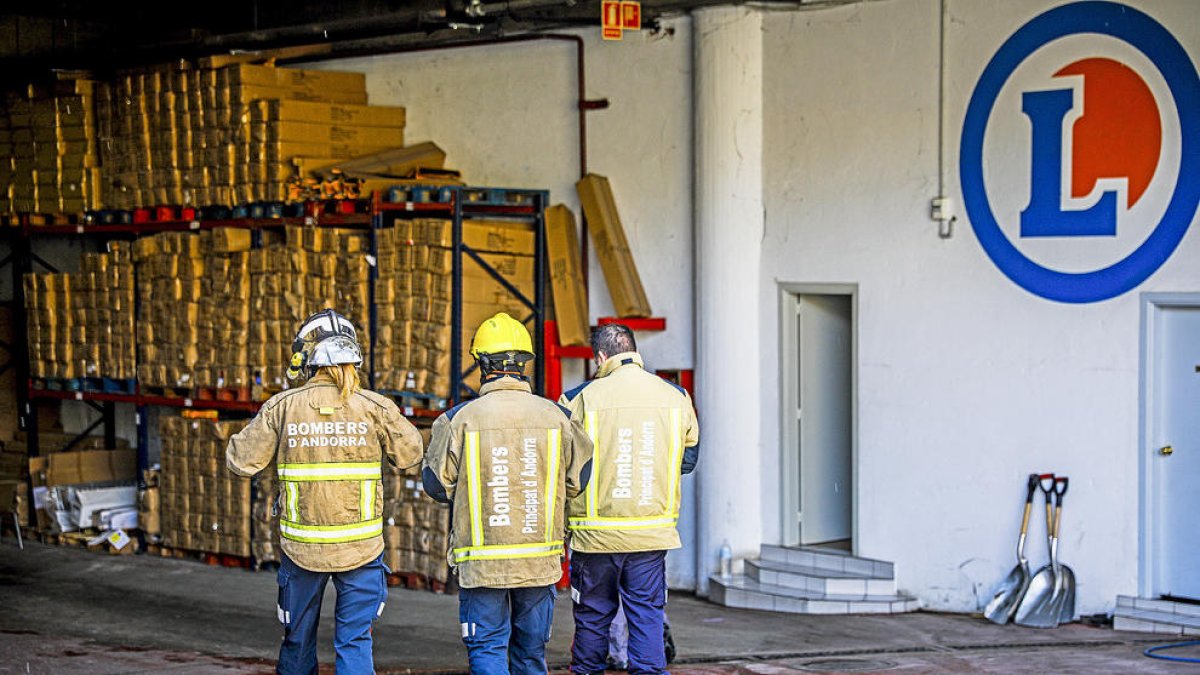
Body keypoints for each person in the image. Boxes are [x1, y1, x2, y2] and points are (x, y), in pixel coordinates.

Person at [226, 309, 424, 675]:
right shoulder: (374, 407)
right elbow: (411, 454)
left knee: (297, 641)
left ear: (306, 356)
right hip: (361, 550)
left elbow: (240, 461)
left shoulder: (282, 407)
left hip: (302, 550)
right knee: (354, 641)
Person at [422, 312, 593, 674]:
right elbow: (579, 479)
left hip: (482, 564)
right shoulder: (557, 416)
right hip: (538, 562)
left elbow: (437, 485)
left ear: (483, 364)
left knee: (487, 648)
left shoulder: (459, 418)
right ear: (524, 365)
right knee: (530, 654)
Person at [561, 323, 699, 675]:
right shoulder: (676, 396)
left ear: (601, 357)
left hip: (594, 538)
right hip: (650, 535)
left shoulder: (577, 399)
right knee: (646, 615)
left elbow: (563, 467)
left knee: (592, 616)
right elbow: (687, 460)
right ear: (634, 351)